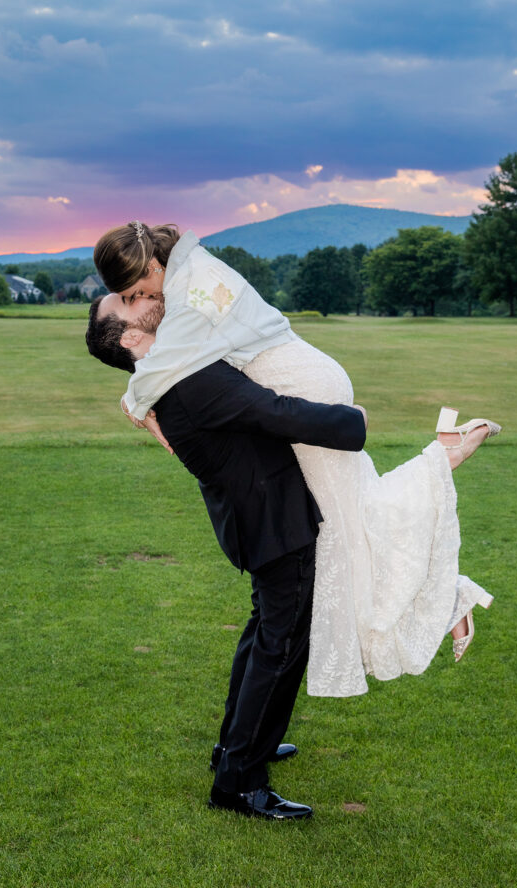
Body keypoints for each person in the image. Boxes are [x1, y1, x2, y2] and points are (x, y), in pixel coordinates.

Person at [92, 221, 500, 696]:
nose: (142, 299)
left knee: (349, 525)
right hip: (298, 376)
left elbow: (167, 360)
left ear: (153, 266)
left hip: (296, 385)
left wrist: (134, 403)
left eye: (135, 291)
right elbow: (168, 360)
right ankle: (447, 584)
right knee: (347, 518)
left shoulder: (193, 291)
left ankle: (443, 475)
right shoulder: (191, 274)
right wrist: (135, 398)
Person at [86, 291, 368, 819]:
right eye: (128, 300)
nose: (143, 295)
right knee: (280, 645)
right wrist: (352, 421)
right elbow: (273, 412)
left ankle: (235, 747)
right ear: (129, 337)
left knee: (266, 632)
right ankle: (238, 782)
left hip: (255, 515)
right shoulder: (185, 381)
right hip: (272, 517)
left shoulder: (170, 372)